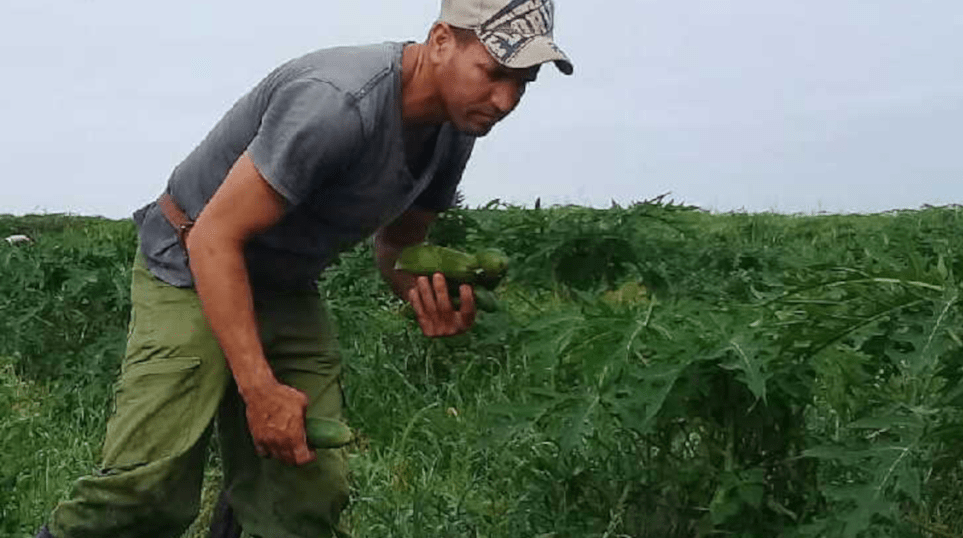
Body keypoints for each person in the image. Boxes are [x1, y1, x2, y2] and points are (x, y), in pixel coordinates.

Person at [35, 0, 572, 537]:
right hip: (190, 265)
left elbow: (400, 244)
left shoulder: (456, 129)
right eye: (494, 72)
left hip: (285, 283)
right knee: (146, 489)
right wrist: (258, 389)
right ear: (439, 41)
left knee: (306, 494)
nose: (505, 100)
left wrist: (421, 293)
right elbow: (214, 239)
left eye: (523, 82)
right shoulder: (337, 104)